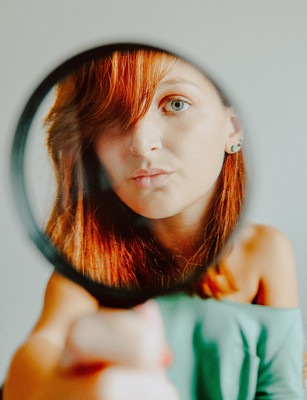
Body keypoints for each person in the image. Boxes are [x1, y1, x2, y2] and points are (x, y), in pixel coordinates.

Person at [3, 47, 303, 399]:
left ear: (233, 127)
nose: (142, 145)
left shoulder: (265, 250)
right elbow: (41, 349)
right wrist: (52, 391)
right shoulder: (87, 262)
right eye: (113, 114)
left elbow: (283, 389)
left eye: (176, 104)